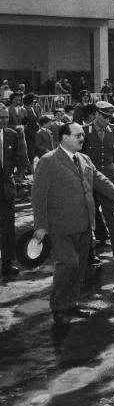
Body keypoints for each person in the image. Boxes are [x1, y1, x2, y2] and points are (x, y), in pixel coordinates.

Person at [32, 121, 114, 326]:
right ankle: (58, 306)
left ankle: (72, 303)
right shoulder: (49, 161)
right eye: (77, 135)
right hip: (60, 225)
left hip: (85, 223)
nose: (82, 138)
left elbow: (100, 181)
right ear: (64, 137)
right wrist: (40, 225)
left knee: (79, 268)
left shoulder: (84, 159)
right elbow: (38, 195)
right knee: (67, 264)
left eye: (82, 135)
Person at [82, 101, 114, 277]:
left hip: (107, 178)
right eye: (104, 116)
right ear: (96, 114)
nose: (107, 120)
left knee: (112, 215)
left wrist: (109, 170)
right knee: (88, 216)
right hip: (87, 179)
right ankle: (89, 255)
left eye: (109, 117)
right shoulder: (84, 131)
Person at [0, 104, 24, 277]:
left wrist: (14, 177)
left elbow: (16, 157)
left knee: (8, 227)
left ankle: (7, 263)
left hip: (6, 190)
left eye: (6, 117)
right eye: (0, 117)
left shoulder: (11, 135)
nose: (4, 120)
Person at [23, 93, 42, 170]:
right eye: (34, 100)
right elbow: (24, 124)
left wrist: (38, 112)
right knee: (30, 152)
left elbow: (39, 120)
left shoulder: (33, 109)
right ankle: (30, 169)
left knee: (35, 151)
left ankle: (32, 168)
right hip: (28, 134)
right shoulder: (24, 109)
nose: (35, 101)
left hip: (35, 133)